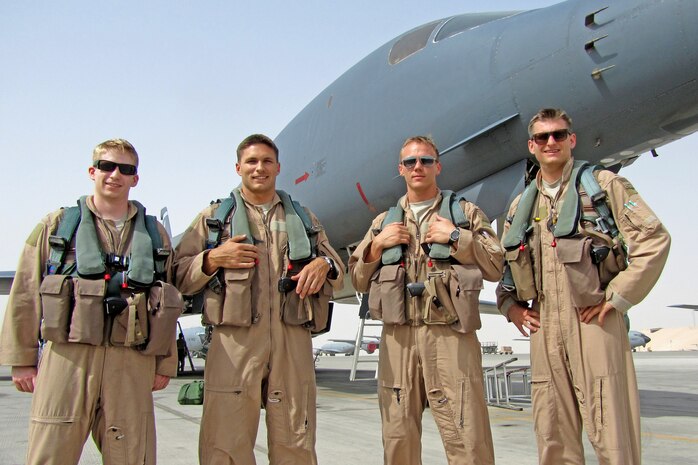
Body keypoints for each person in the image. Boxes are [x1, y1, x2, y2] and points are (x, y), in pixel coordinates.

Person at [496, 108, 671, 465]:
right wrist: (511, 308)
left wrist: (618, 298)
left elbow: (654, 240)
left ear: (571, 140)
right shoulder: (520, 207)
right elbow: (507, 271)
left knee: (612, 431)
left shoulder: (605, 186)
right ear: (531, 145)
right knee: (553, 433)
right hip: (544, 327)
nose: (551, 142)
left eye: (559, 135)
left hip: (594, 321)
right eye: (542, 137)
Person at [0, 139, 182, 465]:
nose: (115, 175)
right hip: (67, 359)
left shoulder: (155, 235)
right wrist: (22, 360)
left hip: (131, 361)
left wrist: (164, 363)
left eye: (125, 169)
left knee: (133, 456)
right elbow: (25, 292)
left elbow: (165, 304)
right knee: (51, 453)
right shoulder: (56, 226)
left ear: (135, 178)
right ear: (92, 171)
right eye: (107, 166)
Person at [174, 133, 344, 465]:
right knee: (225, 441)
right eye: (251, 161)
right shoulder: (214, 219)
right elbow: (179, 275)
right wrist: (212, 259)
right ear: (238, 167)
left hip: (292, 339)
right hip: (234, 343)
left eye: (267, 161)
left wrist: (322, 265)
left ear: (278, 167)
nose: (259, 168)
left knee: (296, 438)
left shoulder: (303, 218)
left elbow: (335, 263)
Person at [349, 135, 503, 465]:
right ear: (400, 170)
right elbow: (358, 278)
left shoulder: (463, 213)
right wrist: (377, 247)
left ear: (438, 166)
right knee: (398, 436)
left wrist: (457, 237)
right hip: (398, 341)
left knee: (468, 435)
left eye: (426, 161)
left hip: (451, 339)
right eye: (410, 162)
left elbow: (496, 264)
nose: (418, 167)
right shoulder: (383, 223)